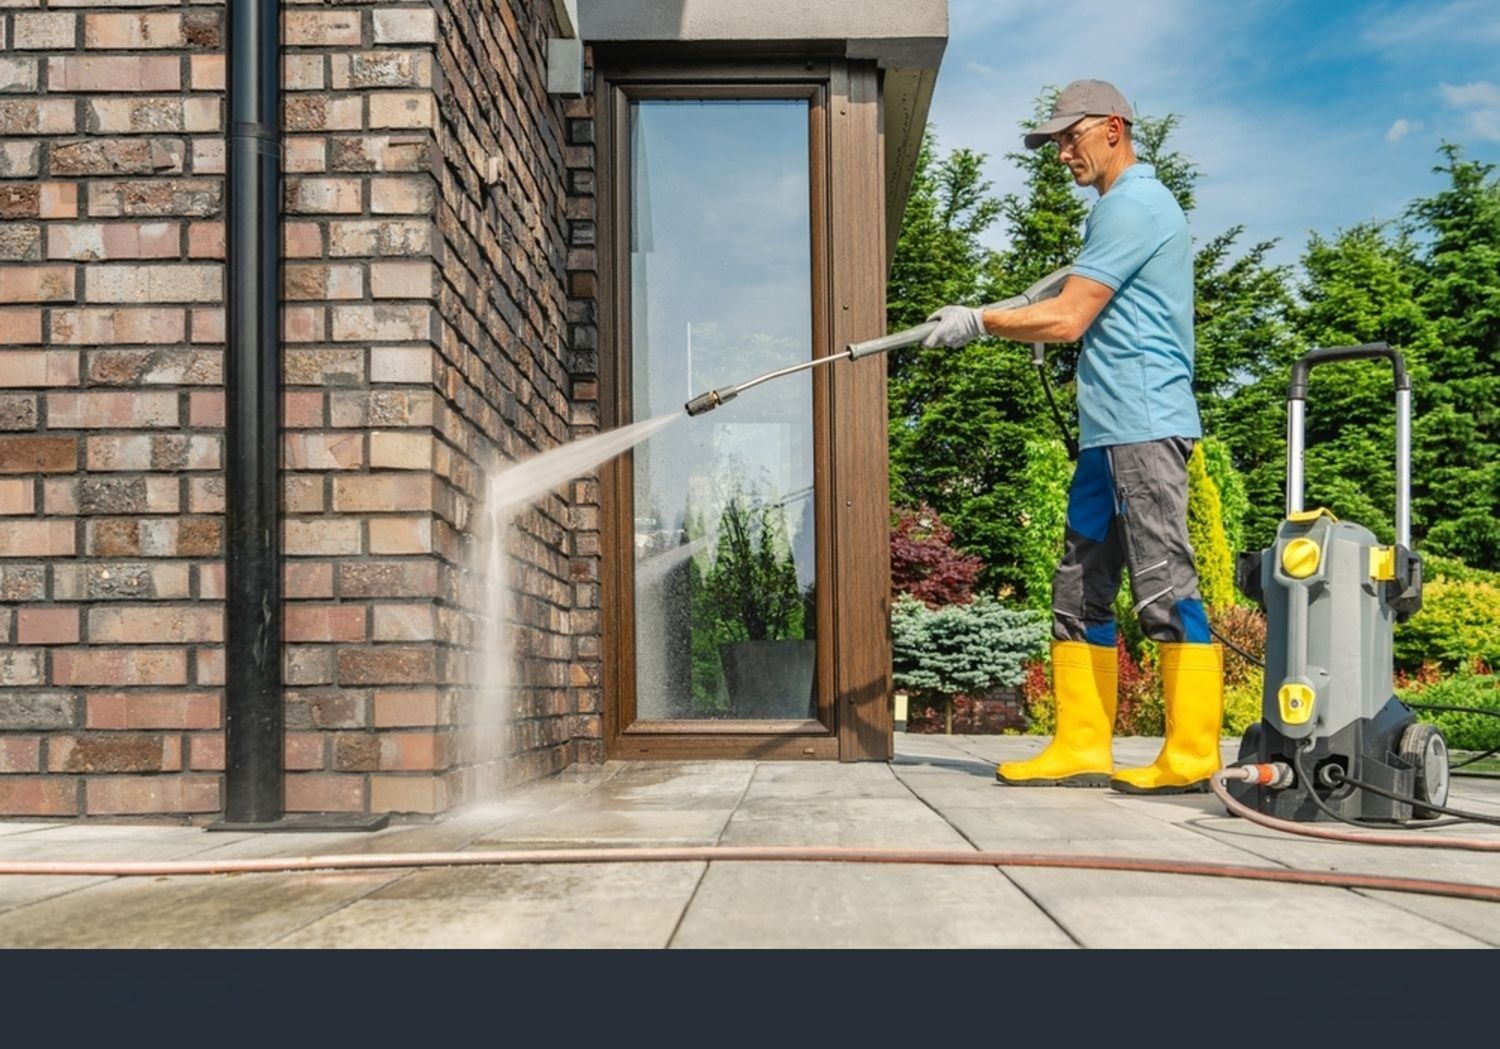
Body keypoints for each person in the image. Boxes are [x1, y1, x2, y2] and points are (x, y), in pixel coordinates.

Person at [922, 79, 1223, 794]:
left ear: (1113, 128)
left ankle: (1192, 752)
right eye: (1055, 141)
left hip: (1145, 428)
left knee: (1162, 583)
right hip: (1107, 434)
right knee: (1078, 587)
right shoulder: (1117, 213)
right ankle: (1083, 744)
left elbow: (1067, 319)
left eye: (1070, 136)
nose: (1061, 153)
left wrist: (979, 319)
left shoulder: (1136, 204)